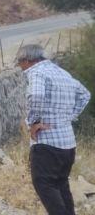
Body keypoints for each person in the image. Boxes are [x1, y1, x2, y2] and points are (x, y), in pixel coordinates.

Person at [16, 44, 91, 215]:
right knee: (61, 184)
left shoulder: (37, 72)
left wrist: (34, 122)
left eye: (19, 63)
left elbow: (36, 96)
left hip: (47, 143)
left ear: (27, 60)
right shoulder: (62, 73)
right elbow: (85, 94)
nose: (20, 67)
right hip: (67, 143)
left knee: (43, 183)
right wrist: (68, 117)